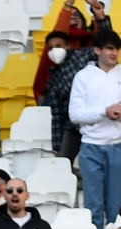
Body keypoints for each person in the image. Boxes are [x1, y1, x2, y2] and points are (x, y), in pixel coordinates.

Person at [36, 0, 110, 159]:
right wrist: (57, 146)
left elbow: (106, 41)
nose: (55, 50)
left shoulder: (82, 56)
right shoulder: (53, 76)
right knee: (63, 162)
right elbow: (56, 115)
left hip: (96, 120)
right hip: (72, 125)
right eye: (51, 47)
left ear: (68, 46)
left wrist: (99, 15)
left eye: (59, 46)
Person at [69, 28, 121, 229]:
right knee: (94, 205)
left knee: (115, 205)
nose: (114, 53)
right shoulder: (83, 77)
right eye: (109, 48)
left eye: (117, 49)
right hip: (91, 145)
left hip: (117, 145)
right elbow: (74, 114)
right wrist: (104, 112)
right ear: (97, 49)